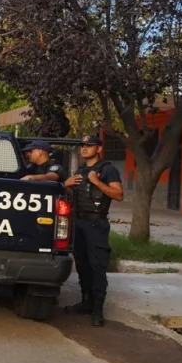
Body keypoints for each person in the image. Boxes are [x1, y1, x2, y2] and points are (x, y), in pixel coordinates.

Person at [63, 134, 124, 326]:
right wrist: (66, 185)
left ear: (99, 148)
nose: (84, 148)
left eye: (89, 145)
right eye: (82, 145)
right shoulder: (80, 170)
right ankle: (86, 301)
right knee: (82, 265)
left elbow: (118, 194)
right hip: (79, 223)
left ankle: (97, 311)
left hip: (96, 224)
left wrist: (97, 182)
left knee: (97, 266)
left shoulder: (108, 170)